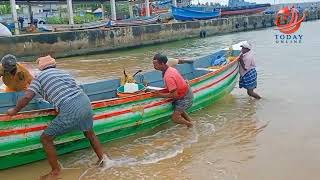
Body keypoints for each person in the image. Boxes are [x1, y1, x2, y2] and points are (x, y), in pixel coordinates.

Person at [6, 55, 106, 179]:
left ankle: (55, 171)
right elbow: (69, 90)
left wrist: (14, 110)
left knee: (45, 138)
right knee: (90, 133)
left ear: (41, 68)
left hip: (71, 107)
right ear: (54, 65)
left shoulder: (40, 77)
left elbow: (27, 97)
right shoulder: (64, 73)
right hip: (85, 102)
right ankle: (103, 160)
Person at [151, 53, 193, 128]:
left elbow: (175, 95)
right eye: (153, 64)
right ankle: (190, 121)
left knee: (175, 118)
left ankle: (189, 125)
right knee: (177, 108)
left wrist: (160, 95)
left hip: (184, 97)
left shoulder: (168, 76)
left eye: (156, 65)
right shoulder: (170, 68)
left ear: (163, 64)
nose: (154, 67)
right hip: (184, 92)